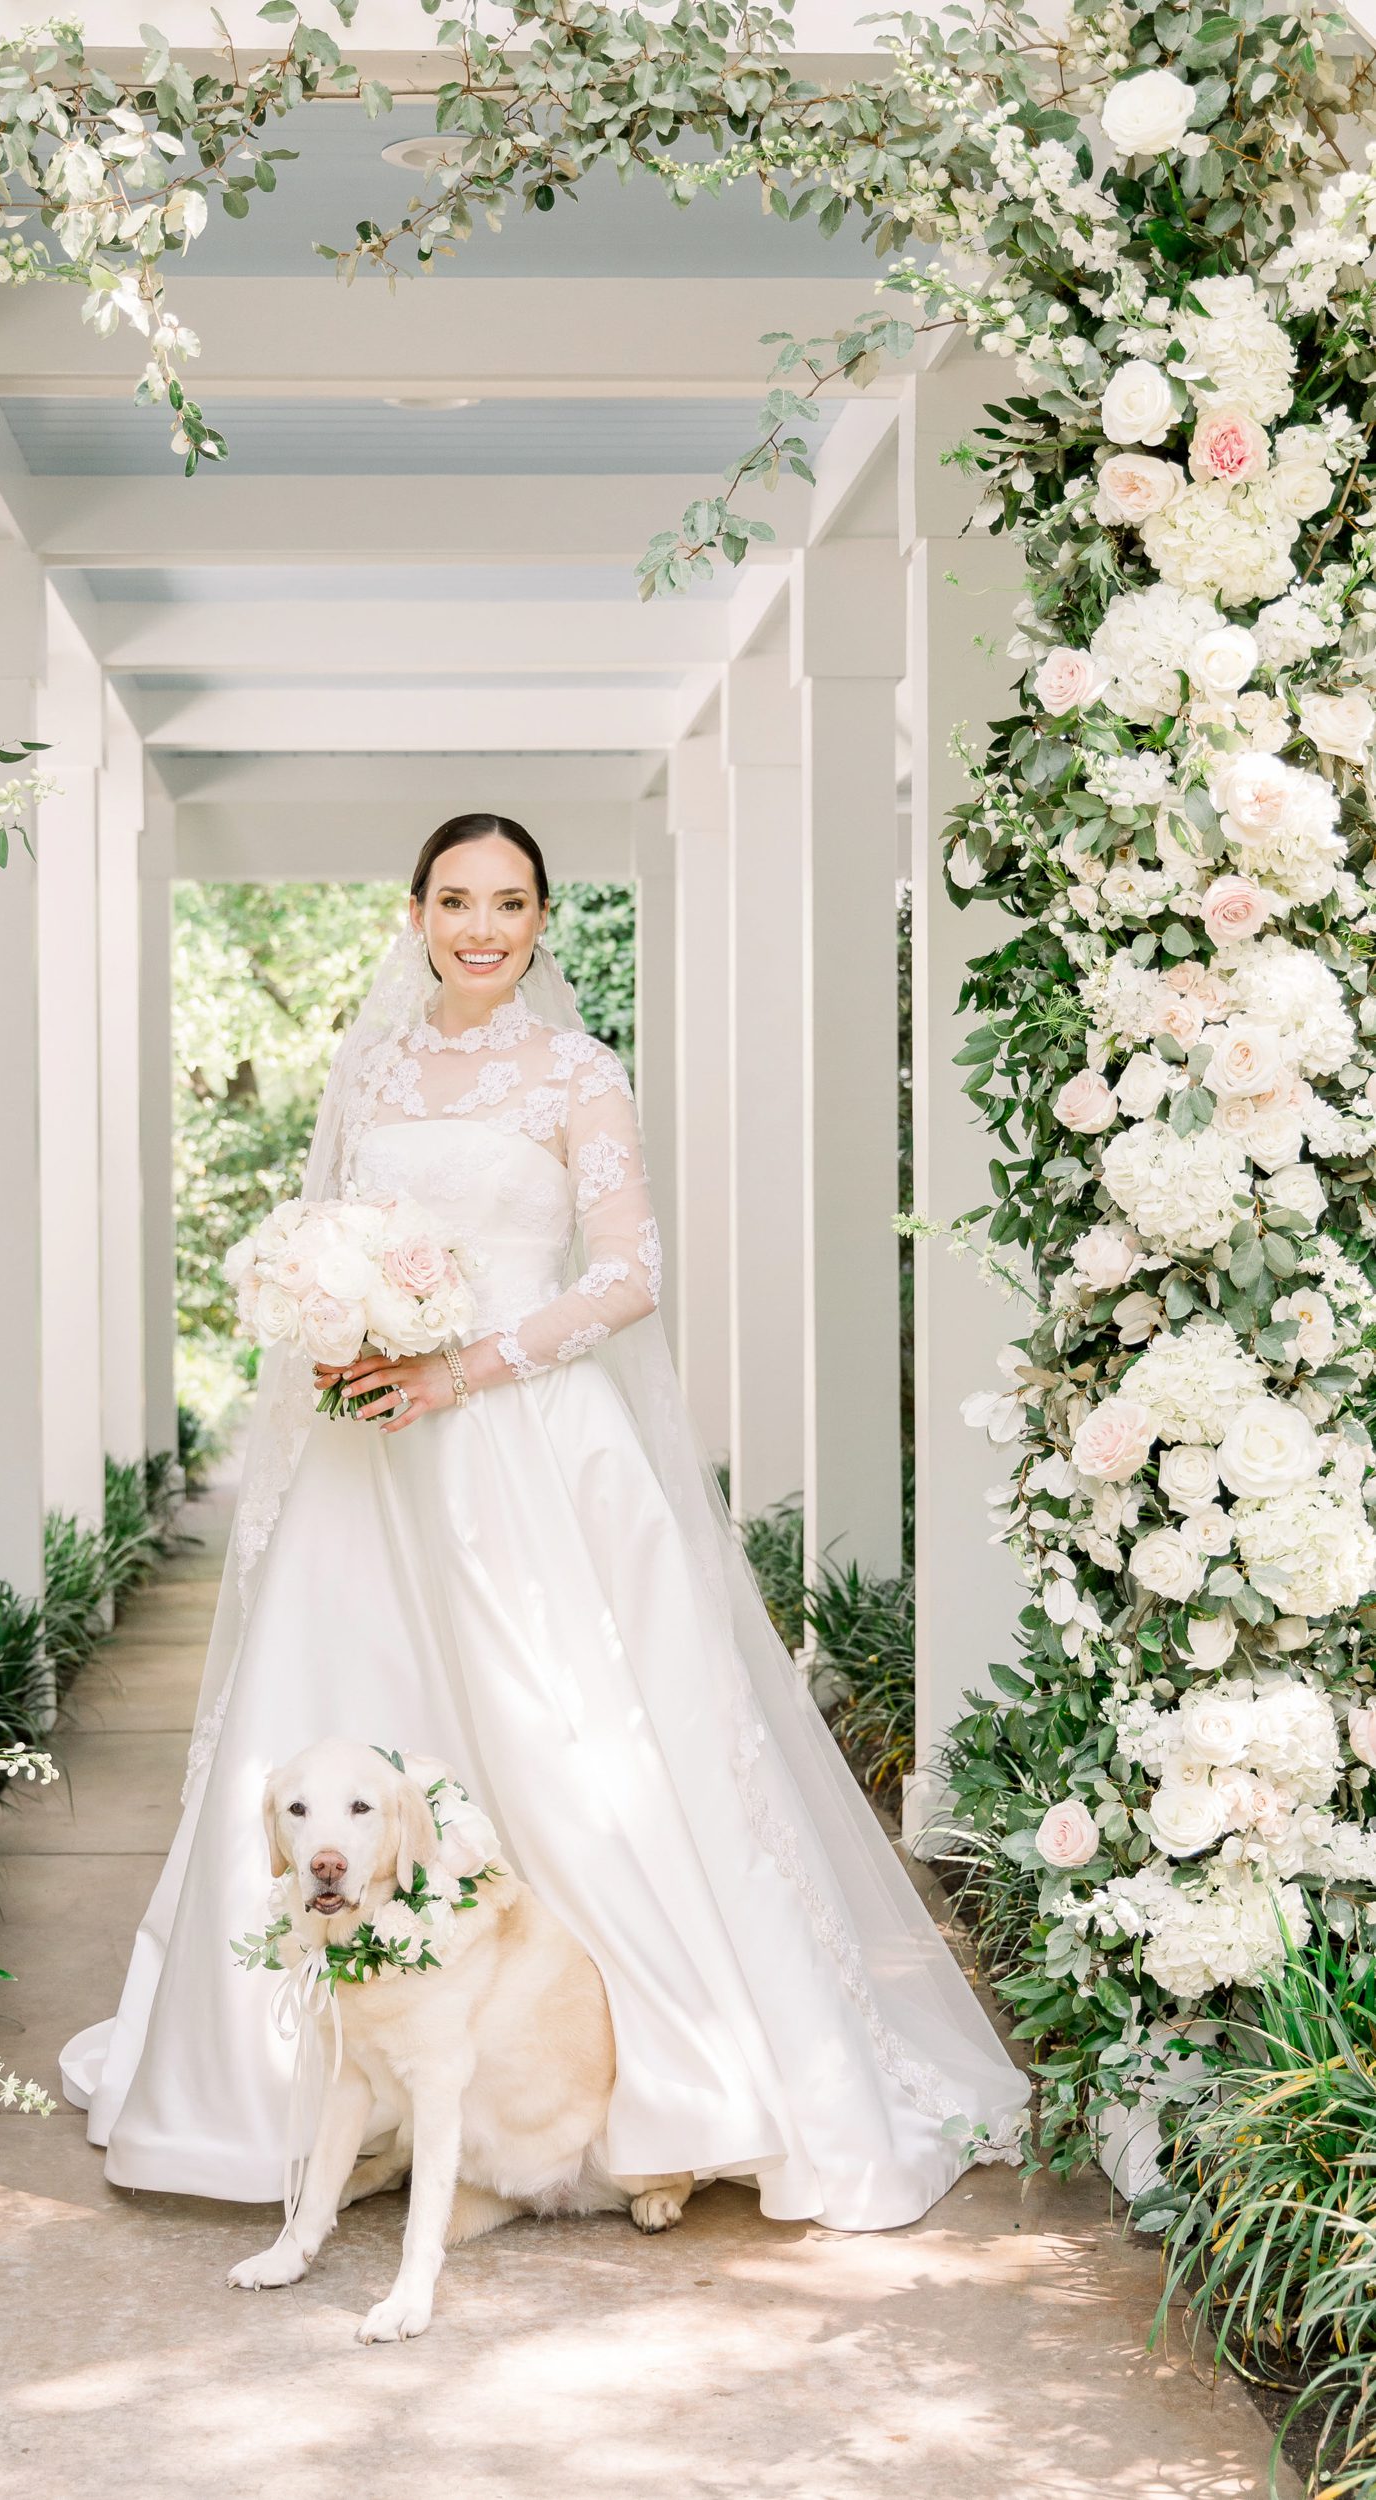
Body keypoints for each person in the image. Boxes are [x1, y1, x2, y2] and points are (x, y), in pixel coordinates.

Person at [60, 812, 1028, 2229]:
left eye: (509, 903)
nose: (480, 927)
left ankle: (638, 2083)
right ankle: (325, 2082)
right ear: (413, 913)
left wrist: (461, 1365)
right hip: (370, 1448)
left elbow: (627, 1274)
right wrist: (336, 1323)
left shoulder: (575, 1070)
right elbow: (333, 1231)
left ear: (541, 921)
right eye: (456, 900)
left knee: (573, 1742)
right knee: (348, 1708)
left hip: (519, 1440)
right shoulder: (376, 1060)